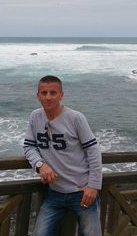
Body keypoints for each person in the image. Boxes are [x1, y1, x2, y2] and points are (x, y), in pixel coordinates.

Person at [23, 75, 102, 236]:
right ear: (37, 96)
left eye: (53, 93)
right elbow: (29, 146)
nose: (48, 97)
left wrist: (93, 187)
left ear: (61, 95)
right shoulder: (35, 117)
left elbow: (93, 150)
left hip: (82, 193)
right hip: (55, 194)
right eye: (44, 93)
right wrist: (40, 165)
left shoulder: (75, 118)